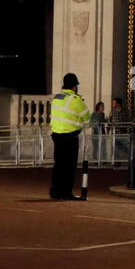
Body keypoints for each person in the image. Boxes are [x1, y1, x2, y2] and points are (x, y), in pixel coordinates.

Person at [49, 72, 89, 200]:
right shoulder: (75, 99)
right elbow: (86, 116)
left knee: (59, 165)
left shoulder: (57, 97)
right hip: (70, 136)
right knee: (69, 167)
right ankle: (66, 192)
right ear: (74, 86)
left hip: (57, 135)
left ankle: (55, 192)